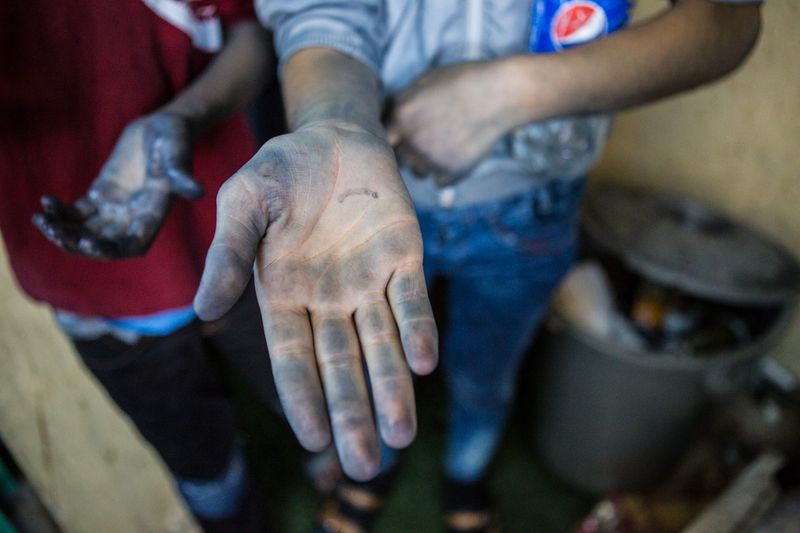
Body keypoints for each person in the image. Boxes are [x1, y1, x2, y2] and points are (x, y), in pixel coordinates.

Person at [193, 0, 762, 530]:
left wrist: (503, 94)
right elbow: (322, 10)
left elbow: (724, 19)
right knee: (371, 367)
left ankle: (465, 476)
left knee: (484, 377)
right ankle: (379, 469)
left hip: (533, 201)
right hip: (378, 193)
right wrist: (335, 122)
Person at [0, 1, 274, 530]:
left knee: (312, 396)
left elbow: (250, 36)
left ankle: (337, 468)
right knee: (199, 458)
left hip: (230, 234)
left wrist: (184, 116)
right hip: (88, 286)